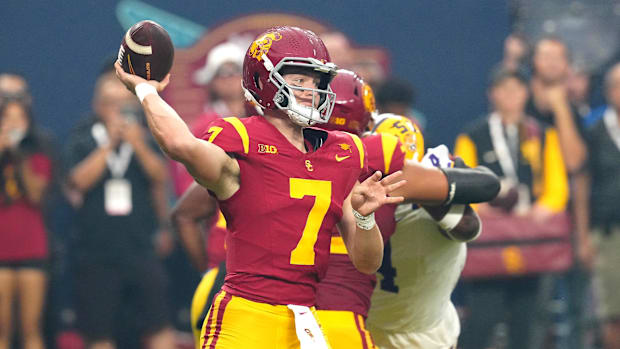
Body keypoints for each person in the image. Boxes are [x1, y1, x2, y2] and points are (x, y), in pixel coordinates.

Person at [116, 26, 406, 349]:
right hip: (247, 316)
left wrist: (365, 219)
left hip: (306, 320)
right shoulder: (242, 139)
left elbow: (367, 263)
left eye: (316, 81)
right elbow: (180, 144)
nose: (311, 90)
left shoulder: (342, 153)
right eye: (299, 81)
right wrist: (146, 91)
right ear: (265, 81)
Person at [314, 70, 499, 349]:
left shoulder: (323, 169)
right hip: (380, 324)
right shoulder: (398, 173)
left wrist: (424, 186)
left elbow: (472, 216)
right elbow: (475, 210)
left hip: (372, 322)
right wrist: (436, 181)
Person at [454, 68, 569, 349]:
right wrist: (480, 207)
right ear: (492, 94)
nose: (510, 97)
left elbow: (558, 185)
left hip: (532, 240)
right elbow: (460, 179)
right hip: (490, 242)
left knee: (530, 321)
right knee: (482, 318)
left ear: (526, 93)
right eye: (503, 90)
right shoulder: (473, 134)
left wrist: (544, 208)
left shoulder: (542, 134)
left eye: (517, 90)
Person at [65, 61, 174, 349]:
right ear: (97, 106)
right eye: (111, 104)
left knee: (159, 323)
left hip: (140, 245)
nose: (119, 111)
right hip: (96, 249)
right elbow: (78, 181)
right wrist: (109, 145)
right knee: (99, 332)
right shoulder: (83, 138)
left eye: (125, 105)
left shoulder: (145, 136)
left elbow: (159, 177)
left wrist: (136, 144)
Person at [0, 94, 53, 349]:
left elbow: (35, 194)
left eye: (19, 118)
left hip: (32, 246)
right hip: (1, 247)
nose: (12, 125)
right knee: (2, 331)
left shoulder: (38, 156)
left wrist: (18, 157)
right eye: (6, 119)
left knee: (31, 329)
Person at [579, 62, 620, 349]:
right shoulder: (593, 132)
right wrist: (583, 237)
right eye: (617, 85)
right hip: (608, 233)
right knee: (612, 313)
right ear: (607, 91)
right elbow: (581, 187)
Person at [171, 182, 227, 348]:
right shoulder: (239, 161)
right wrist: (208, 271)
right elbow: (183, 216)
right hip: (225, 282)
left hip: (221, 281)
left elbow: (183, 216)